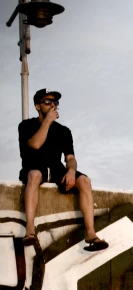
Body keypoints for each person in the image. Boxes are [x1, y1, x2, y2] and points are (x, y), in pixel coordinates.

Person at [18, 88, 109, 251]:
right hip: (35, 166)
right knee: (34, 175)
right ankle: (30, 231)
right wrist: (47, 122)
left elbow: (70, 159)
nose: (53, 105)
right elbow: (35, 144)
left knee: (85, 181)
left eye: (55, 102)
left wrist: (72, 171)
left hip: (56, 168)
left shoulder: (64, 131)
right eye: (48, 102)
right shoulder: (26, 126)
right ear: (37, 106)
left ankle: (91, 234)